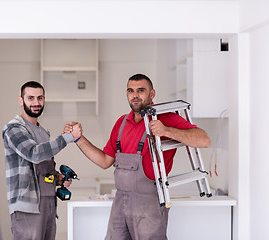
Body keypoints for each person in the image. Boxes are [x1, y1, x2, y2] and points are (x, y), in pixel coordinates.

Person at [70, 74, 211, 240]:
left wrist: (166, 131)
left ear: (152, 94)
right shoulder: (121, 123)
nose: (135, 95)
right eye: (131, 90)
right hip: (120, 202)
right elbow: (104, 161)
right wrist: (78, 139)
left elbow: (204, 140)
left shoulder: (165, 118)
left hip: (149, 203)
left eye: (141, 90)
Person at [2, 81, 81, 240]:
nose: (36, 103)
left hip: (48, 203)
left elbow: (41, 168)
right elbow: (34, 153)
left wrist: (57, 178)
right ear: (21, 100)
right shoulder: (14, 128)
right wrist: (67, 138)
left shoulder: (43, 131)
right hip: (27, 207)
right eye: (30, 98)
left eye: (40, 98)